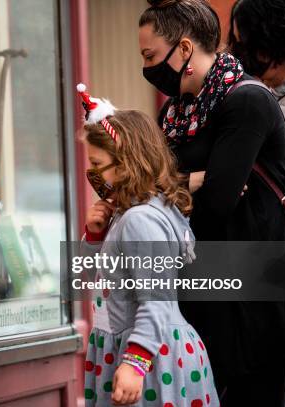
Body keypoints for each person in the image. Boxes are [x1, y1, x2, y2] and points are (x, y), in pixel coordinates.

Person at [138, 0, 285, 405]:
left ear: (183, 50)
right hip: (200, 290)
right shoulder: (177, 112)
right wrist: (187, 183)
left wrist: (172, 190)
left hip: (255, 300)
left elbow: (216, 203)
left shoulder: (247, 100)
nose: (147, 67)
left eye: (150, 56)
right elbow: (148, 190)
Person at [78, 84, 219, 406]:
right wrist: (96, 236)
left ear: (127, 162)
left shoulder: (140, 221)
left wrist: (135, 362)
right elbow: (102, 281)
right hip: (143, 349)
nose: (94, 174)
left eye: (98, 164)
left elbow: (155, 297)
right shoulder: (130, 215)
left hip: (150, 358)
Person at [228, 1, 285, 406]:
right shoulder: (270, 97)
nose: (235, 51)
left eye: (241, 42)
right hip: (276, 272)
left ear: (267, 47)